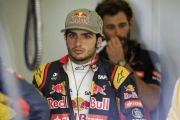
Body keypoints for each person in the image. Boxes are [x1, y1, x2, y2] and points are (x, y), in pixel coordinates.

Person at [32, 8, 146, 120]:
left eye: (86, 36)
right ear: (65, 38)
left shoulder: (119, 75)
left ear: (99, 41)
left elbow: (135, 116)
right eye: (72, 35)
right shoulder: (44, 73)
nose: (78, 43)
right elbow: (31, 114)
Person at [95, 0, 161, 120]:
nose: (118, 33)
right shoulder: (94, 62)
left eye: (122, 25)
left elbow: (152, 102)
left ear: (130, 24)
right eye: (110, 27)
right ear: (102, 30)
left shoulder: (148, 57)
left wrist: (121, 62)